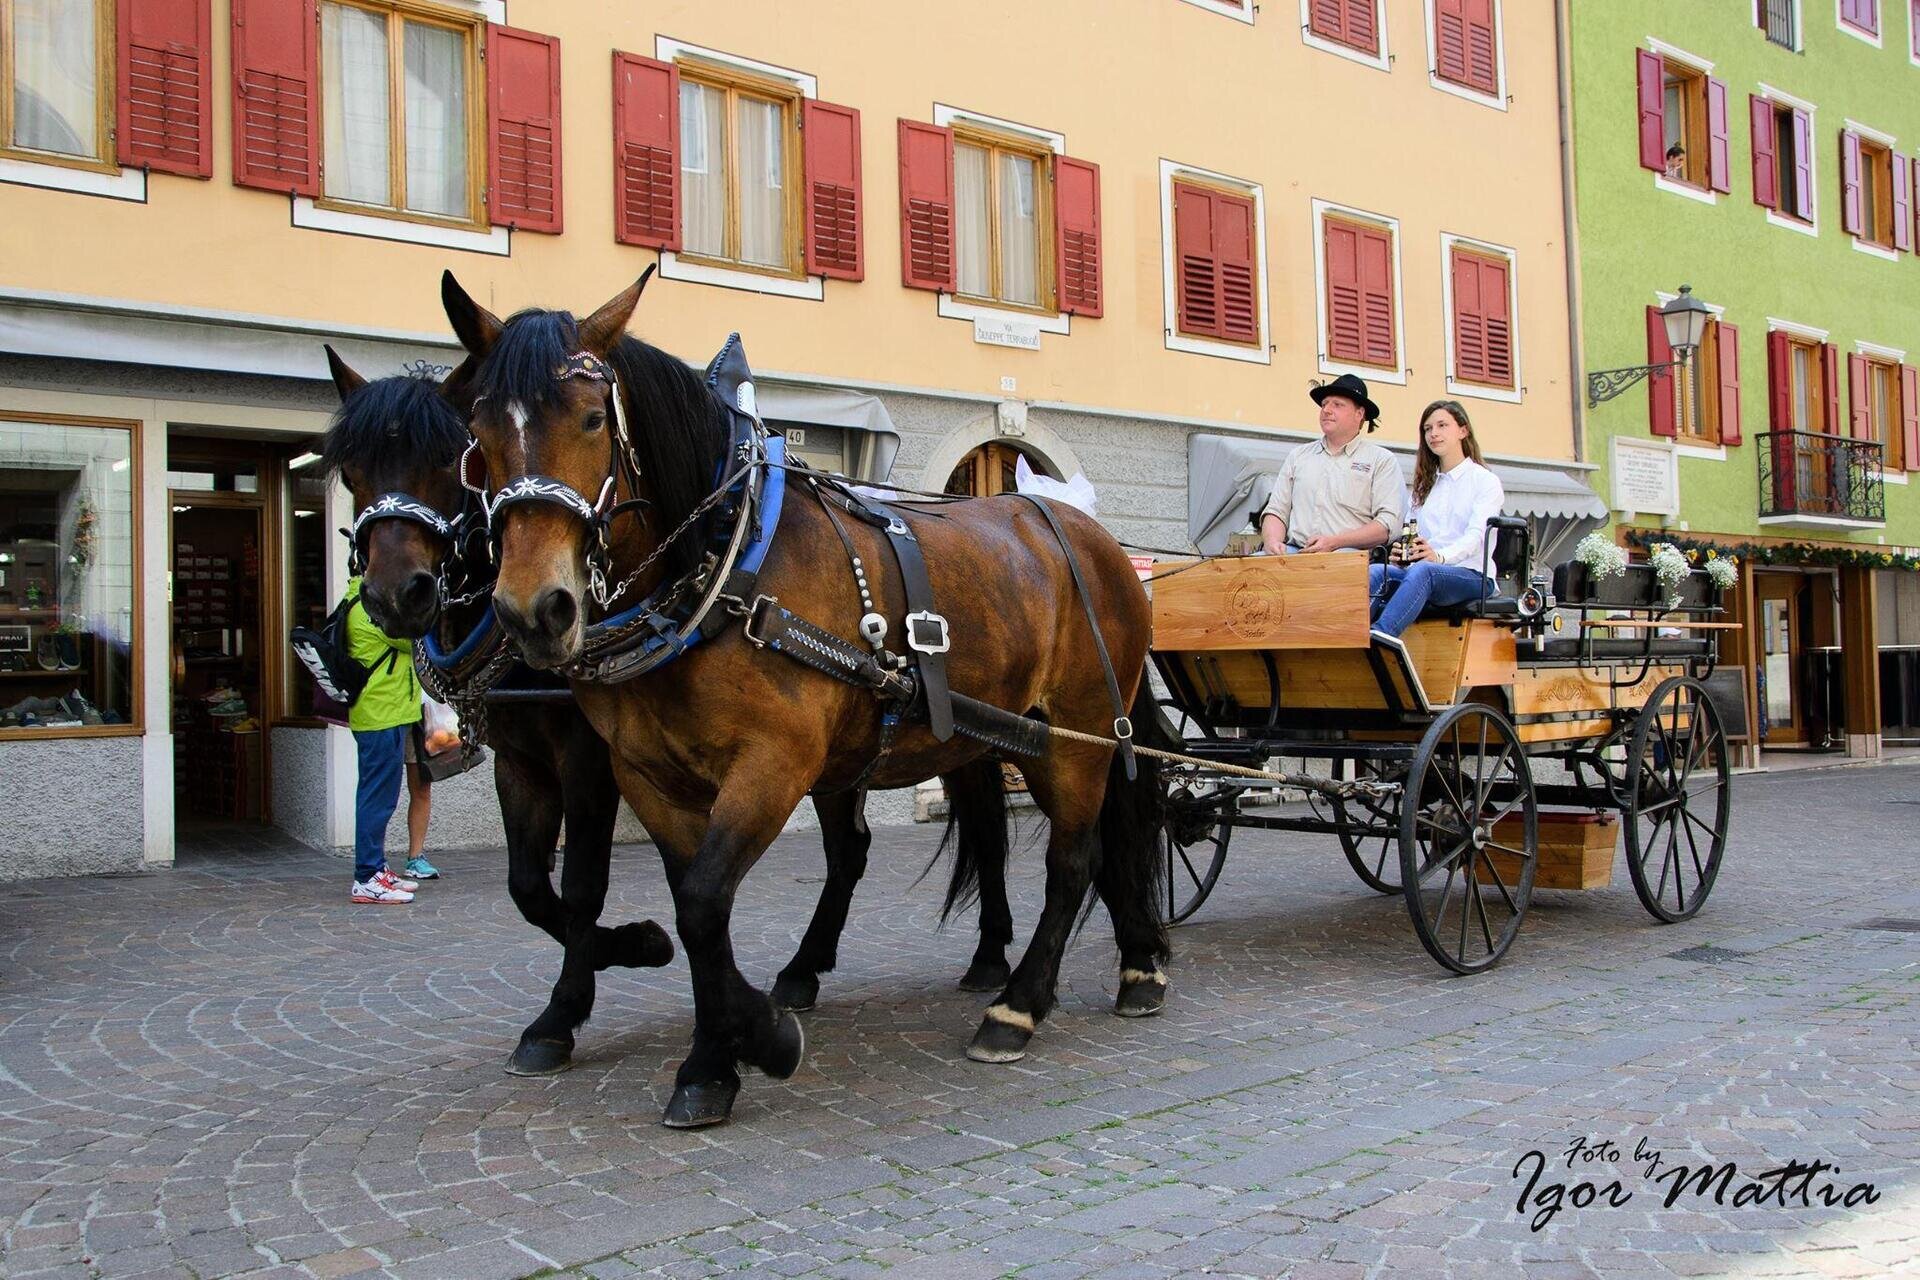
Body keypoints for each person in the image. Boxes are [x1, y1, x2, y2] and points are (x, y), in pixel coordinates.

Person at [1369, 400, 1505, 641]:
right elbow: (1413, 534)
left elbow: (1476, 537)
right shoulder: (1424, 487)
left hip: (1472, 575)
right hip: (1424, 571)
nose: (1434, 433)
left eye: (1442, 425)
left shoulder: (1485, 481)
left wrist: (1439, 557)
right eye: (1427, 428)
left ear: (1463, 431)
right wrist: (1404, 553)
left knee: (1425, 572)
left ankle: (1380, 638)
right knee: (1377, 572)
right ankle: (1348, 637)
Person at [1260, 373, 1404, 557]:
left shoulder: (1381, 460)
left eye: (1337, 405)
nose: (1326, 410)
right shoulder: (1298, 456)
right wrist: (1272, 542)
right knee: (1250, 571)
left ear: (1359, 414)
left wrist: (1335, 542)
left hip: (1349, 556)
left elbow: (1388, 524)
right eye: (1324, 404)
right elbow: (1277, 511)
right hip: (1295, 551)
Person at [345, 576, 424, 904]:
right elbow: (409, 640)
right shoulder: (368, 608)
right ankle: (366, 877)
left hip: (387, 712)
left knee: (381, 796)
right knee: (376, 798)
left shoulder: (366, 604)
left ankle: (376, 869)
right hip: (380, 714)